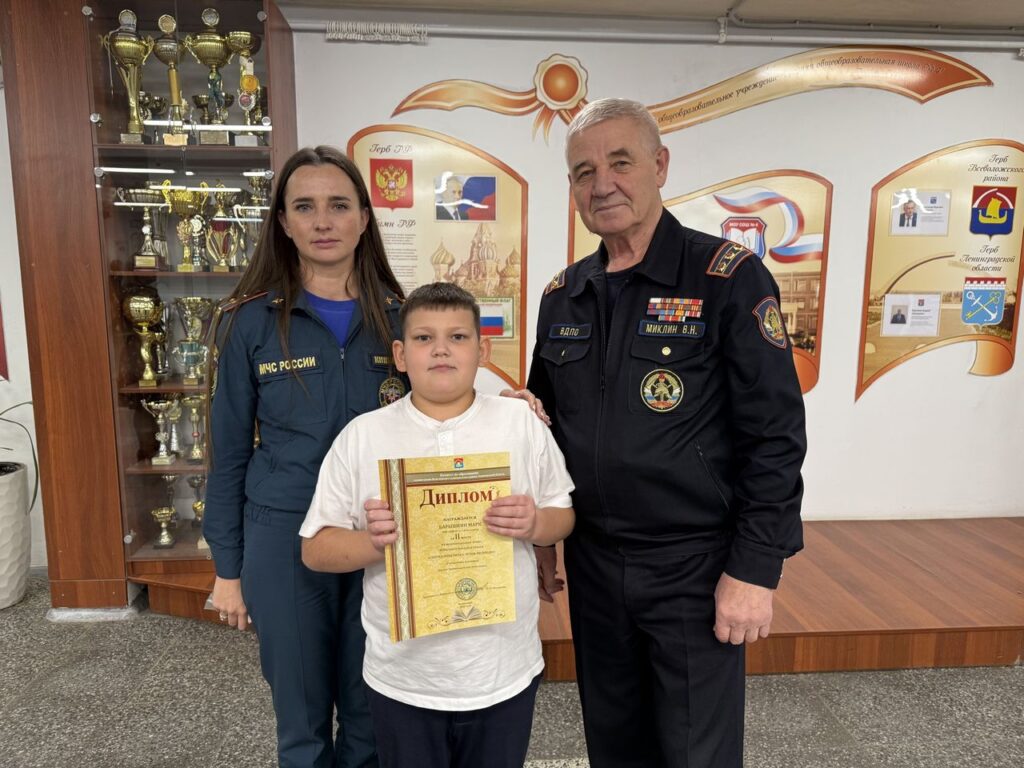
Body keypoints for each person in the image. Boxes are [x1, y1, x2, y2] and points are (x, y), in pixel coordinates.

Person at [526, 98, 806, 767]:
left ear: (660, 166)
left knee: (694, 753)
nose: (602, 184)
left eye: (620, 163)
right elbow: (543, 428)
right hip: (594, 563)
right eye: (583, 171)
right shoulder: (564, 295)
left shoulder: (726, 278)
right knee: (614, 745)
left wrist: (754, 568)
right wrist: (541, 530)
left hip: (693, 564)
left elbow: (775, 434)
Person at [300, 282, 575, 768]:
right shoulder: (363, 436)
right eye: (424, 338)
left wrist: (535, 523)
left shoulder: (519, 423)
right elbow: (315, 549)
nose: (442, 349)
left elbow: (563, 516)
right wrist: (372, 543)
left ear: (482, 352)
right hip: (405, 677)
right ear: (400, 355)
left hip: (502, 670)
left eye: (458, 337)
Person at [204, 145, 408, 768]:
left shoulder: (401, 319)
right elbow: (227, 453)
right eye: (305, 207)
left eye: (339, 205)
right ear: (284, 223)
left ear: (364, 219)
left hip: (378, 534)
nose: (323, 221)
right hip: (284, 536)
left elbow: (446, 409)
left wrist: (515, 408)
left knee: (373, 713)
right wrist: (228, 569)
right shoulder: (248, 324)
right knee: (301, 721)